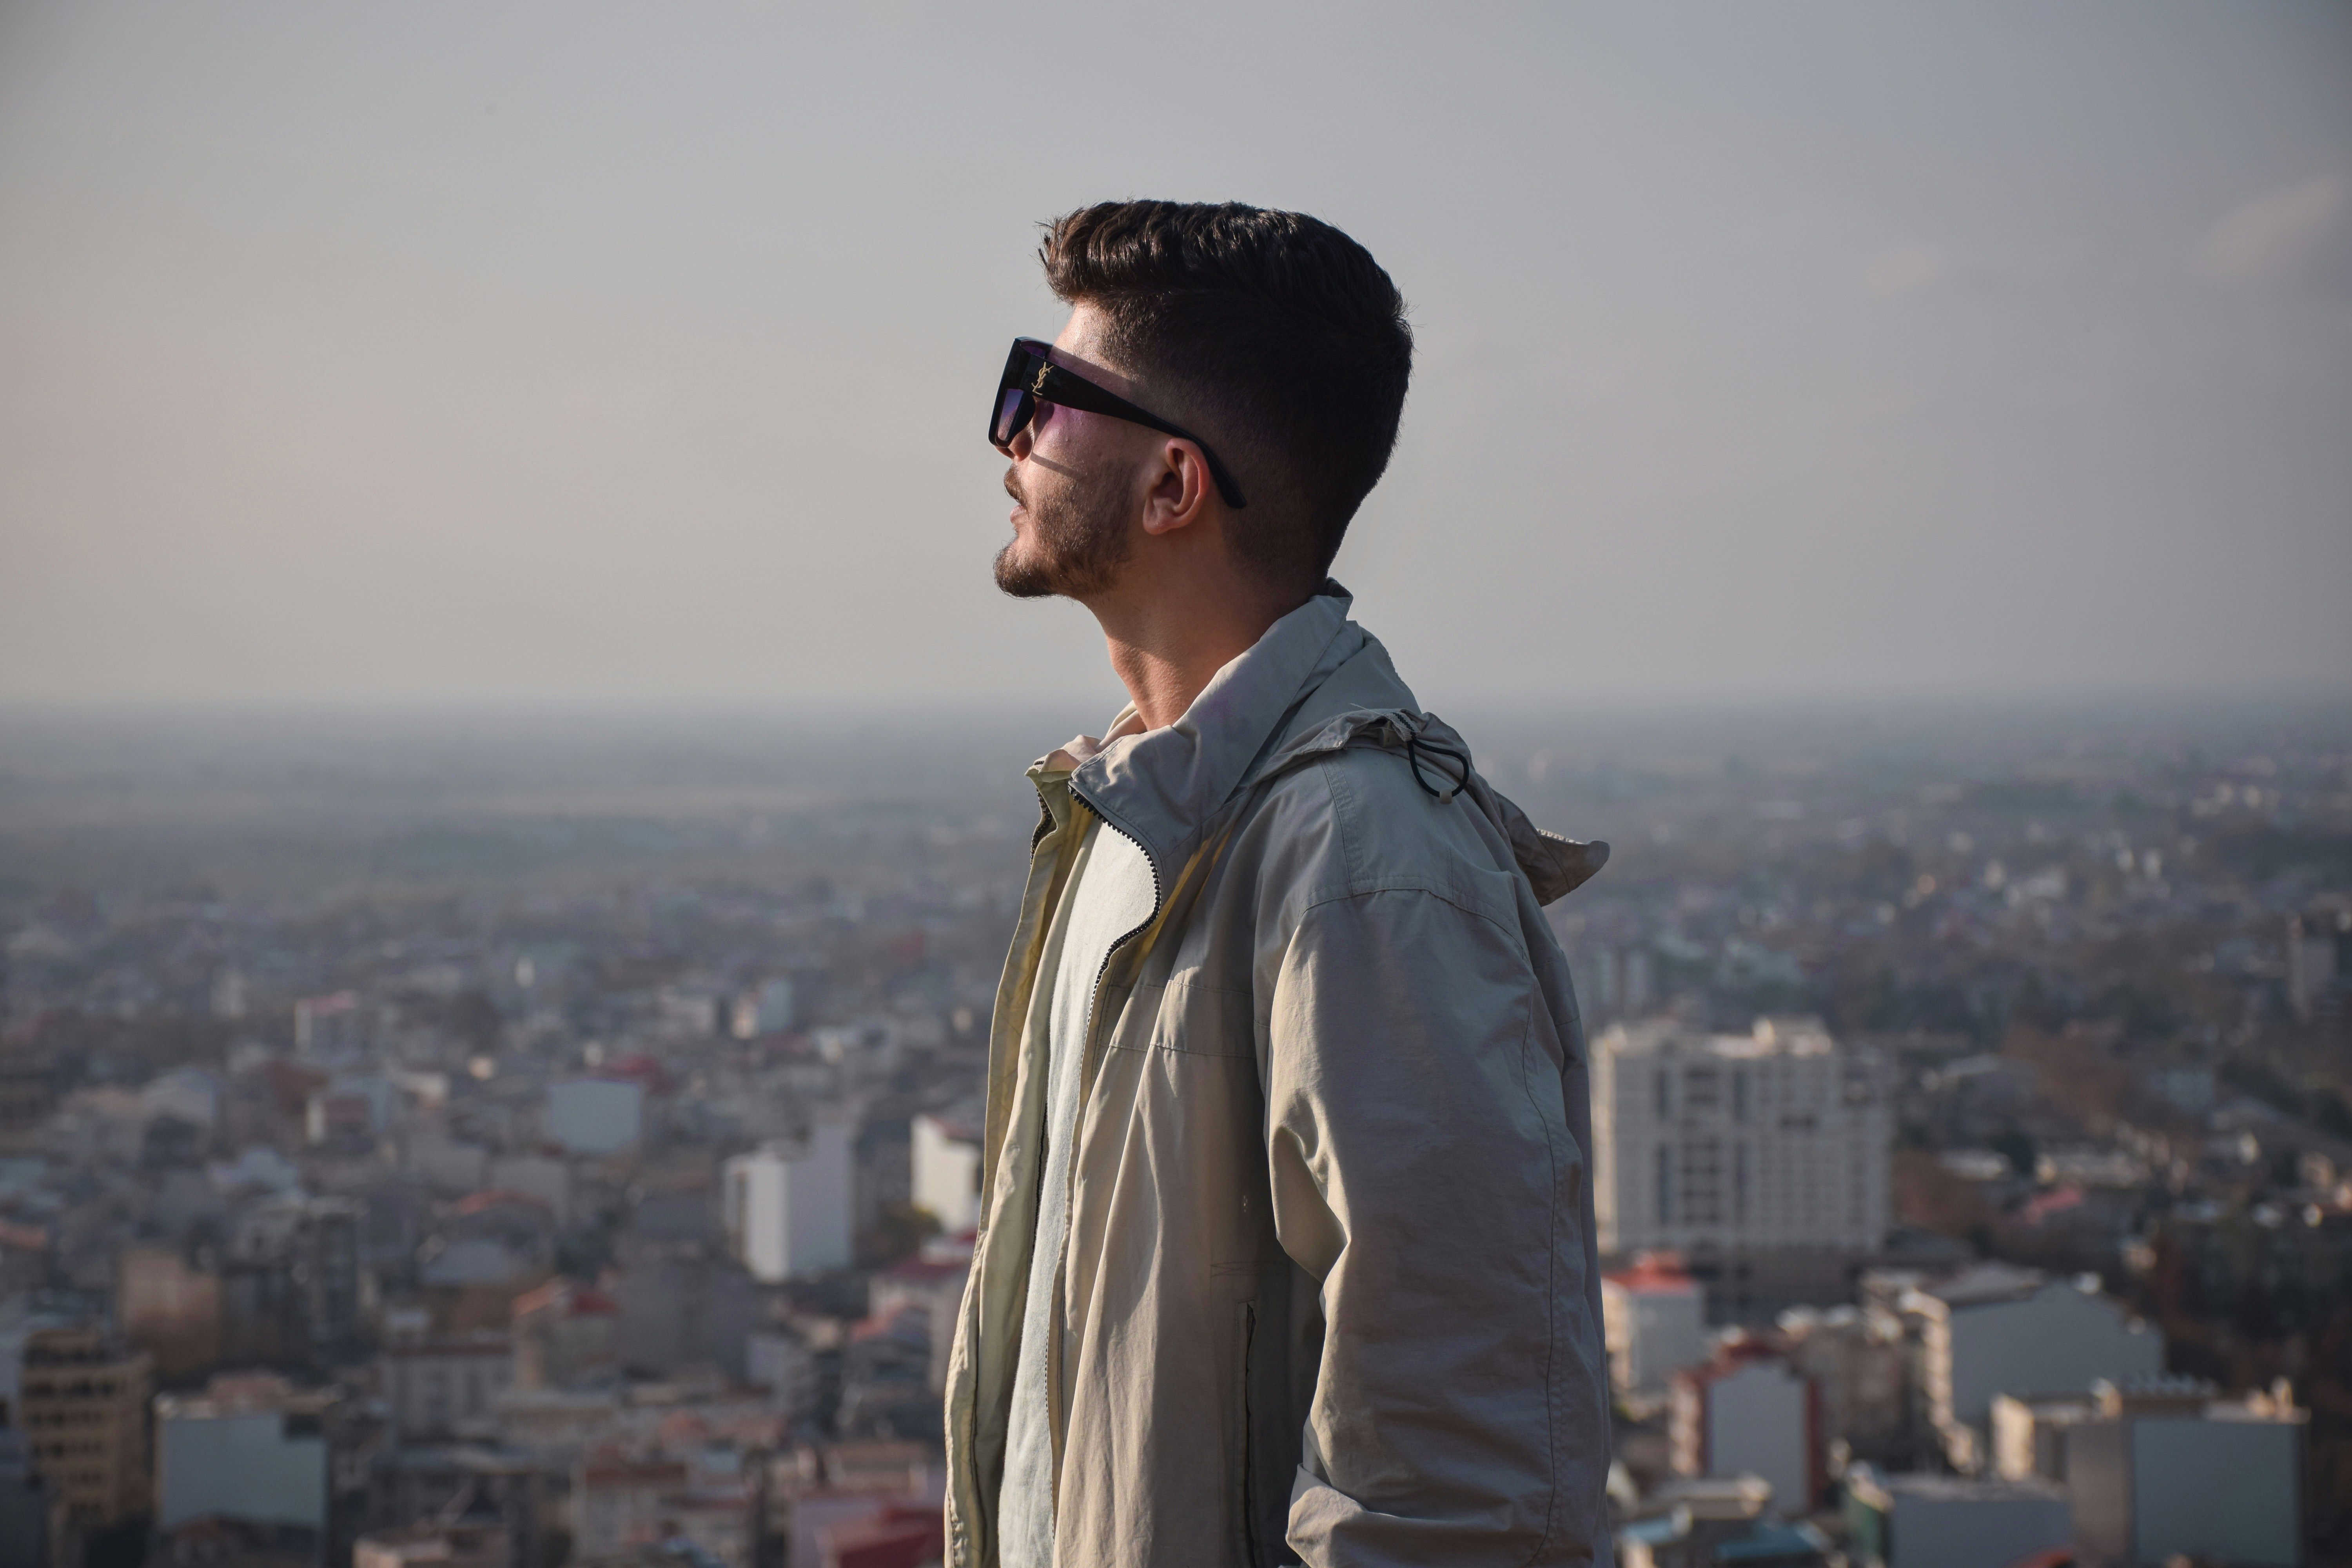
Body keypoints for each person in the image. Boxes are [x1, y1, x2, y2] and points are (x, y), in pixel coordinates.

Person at [944, 200, 1612, 1568]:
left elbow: (1455, 1489)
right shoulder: (1142, 822)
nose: (1008, 435)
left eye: (1045, 398)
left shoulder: (1364, 868)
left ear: (1174, 486)